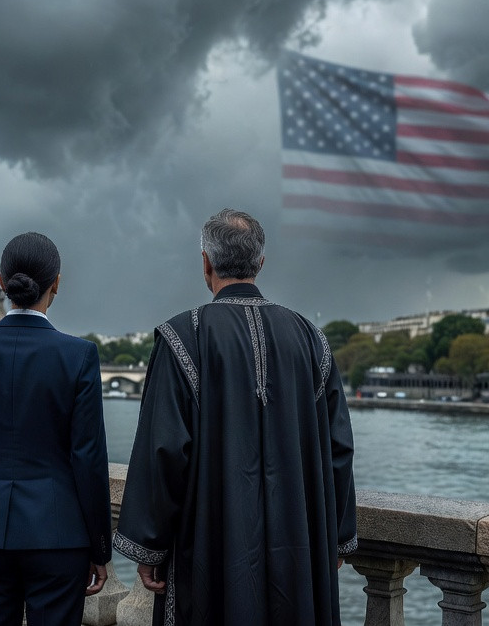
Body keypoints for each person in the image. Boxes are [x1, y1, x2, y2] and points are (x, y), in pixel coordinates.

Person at [114, 209, 356, 626]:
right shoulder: (311, 338)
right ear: (260, 264)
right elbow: (338, 449)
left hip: (209, 544)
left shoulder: (182, 336)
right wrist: (334, 537)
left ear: (205, 263)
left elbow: (164, 450)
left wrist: (148, 545)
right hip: (298, 546)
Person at [0, 232, 112, 626]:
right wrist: (100, 547)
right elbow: (88, 459)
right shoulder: (79, 356)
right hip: (58, 536)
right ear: (57, 283)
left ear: (1, 282)